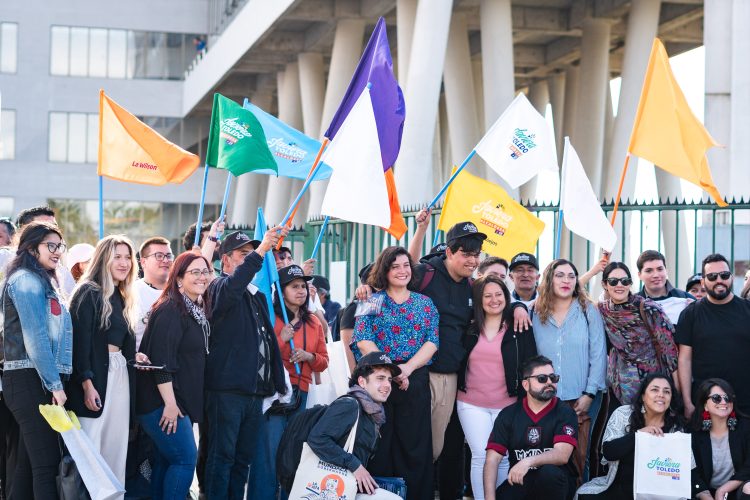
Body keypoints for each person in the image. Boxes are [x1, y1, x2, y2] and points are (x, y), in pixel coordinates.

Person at [204, 228, 288, 499]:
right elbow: (234, 285)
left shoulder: (257, 296)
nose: (250, 259)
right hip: (226, 391)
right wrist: (262, 250)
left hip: (254, 393)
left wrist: (276, 382)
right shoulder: (217, 286)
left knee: (242, 461)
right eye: (243, 254)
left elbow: (268, 344)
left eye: (252, 254)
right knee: (222, 457)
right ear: (225, 260)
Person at [354, 245, 439, 500]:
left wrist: (407, 369)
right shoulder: (370, 300)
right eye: (395, 266)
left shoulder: (425, 303)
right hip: (379, 379)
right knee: (381, 443)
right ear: (385, 270)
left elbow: (432, 341)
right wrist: (389, 370)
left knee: (415, 444)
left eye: (406, 266)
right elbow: (362, 338)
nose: (402, 271)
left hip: (414, 377)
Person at [1, 221, 72, 499]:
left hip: (35, 378)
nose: (56, 252)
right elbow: (35, 338)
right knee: (46, 465)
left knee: (29, 465)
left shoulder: (41, 280)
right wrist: (55, 384)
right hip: (30, 379)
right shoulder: (26, 281)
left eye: (59, 246)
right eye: (50, 246)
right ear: (31, 249)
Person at [135, 252, 213, 500]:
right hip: (162, 402)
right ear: (179, 278)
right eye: (195, 272)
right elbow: (161, 361)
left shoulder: (194, 309)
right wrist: (169, 404)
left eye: (206, 271)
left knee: (165, 461)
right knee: (184, 459)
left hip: (177, 400)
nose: (202, 277)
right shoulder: (171, 308)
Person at [249, 264, 329, 500]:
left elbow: (324, 361)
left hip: (301, 394)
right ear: (280, 290)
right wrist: (281, 340)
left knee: (293, 455)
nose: (301, 291)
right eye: (294, 286)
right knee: (268, 455)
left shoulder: (314, 321)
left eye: (303, 286)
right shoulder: (269, 317)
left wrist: (309, 357)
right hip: (273, 394)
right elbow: (257, 354)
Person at [67, 235, 138, 495]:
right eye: (117, 256)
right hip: (96, 379)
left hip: (120, 377)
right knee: (92, 451)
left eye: (127, 256)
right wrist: (87, 383)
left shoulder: (121, 296)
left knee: (115, 448)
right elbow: (79, 343)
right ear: (103, 259)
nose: (124, 262)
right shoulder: (88, 292)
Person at [457, 275, 537, 498]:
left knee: (501, 456)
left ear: (506, 297)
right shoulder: (469, 326)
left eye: (499, 295)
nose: (494, 300)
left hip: (507, 404)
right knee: (480, 456)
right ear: (479, 300)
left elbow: (530, 361)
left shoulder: (518, 325)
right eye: (487, 296)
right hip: (471, 403)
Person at [531, 259, 607, 482]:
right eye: (560, 275)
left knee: (580, 457)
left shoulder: (587, 310)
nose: (566, 280)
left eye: (571, 276)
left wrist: (589, 394)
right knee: (546, 456)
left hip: (582, 397)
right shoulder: (534, 312)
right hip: (545, 399)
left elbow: (598, 354)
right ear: (549, 279)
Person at [306, 351, 404, 500]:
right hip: (326, 486)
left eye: (389, 380)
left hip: (347, 486)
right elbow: (317, 438)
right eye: (380, 378)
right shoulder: (350, 405)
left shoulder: (373, 413)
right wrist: (355, 466)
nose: (387, 385)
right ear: (362, 382)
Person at [576, 373, 686, 499]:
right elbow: (609, 452)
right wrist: (639, 436)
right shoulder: (624, 414)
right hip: (620, 489)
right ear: (643, 396)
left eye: (667, 392)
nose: (661, 394)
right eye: (654, 390)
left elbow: (686, 468)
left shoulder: (676, 427)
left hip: (658, 493)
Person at [483, 355, 579, 500]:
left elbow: (562, 455)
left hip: (556, 483)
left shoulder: (565, 412)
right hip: (522, 481)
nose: (549, 382)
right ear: (525, 385)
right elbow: (492, 460)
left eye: (553, 378)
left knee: (549, 473)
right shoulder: (509, 414)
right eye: (542, 378)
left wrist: (527, 461)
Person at [597, 262, 678, 410]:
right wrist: (593, 271)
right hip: (620, 384)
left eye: (625, 281)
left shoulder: (648, 308)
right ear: (604, 284)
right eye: (613, 281)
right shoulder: (602, 310)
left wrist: (678, 394)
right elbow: (574, 296)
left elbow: (670, 353)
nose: (619, 285)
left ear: (630, 283)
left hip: (652, 383)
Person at [677, 253, 750, 417]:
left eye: (724, 275)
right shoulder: (690, 314)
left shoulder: (747, 310)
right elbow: (684, 360)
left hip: (746, 403)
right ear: (703, 282)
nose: (719, 280)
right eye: (712, 276)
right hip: (705, 404)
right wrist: (688, 402)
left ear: (731, 277)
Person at [690, 378, 750, 500]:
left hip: (736, 488)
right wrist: (704, 494)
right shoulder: (693, 433)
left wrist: (724, 488)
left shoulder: (745, 427)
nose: (723, 402)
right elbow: (693, 472)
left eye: (728, 398)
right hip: (704, 492)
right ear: (705, 405)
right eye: (717, 398)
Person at [0, 206, 76, 297]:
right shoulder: (5, 257)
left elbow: (71, 305)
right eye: (43, 227)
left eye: (54, 227)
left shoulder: (61, 271)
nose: (52, 231)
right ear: (23, 231)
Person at [134, 237, 174, 350]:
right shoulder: (131, 292)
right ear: (143, 262)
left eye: (168, 256)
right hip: (141, 364)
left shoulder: (181, 291)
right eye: (159, 256)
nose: (166, 260)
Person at [636, 249, 693, 325]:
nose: (656, 275)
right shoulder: (633, 303)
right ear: (639, 275)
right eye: (649, 271)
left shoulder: (686, 299)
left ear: (666, 271)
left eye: (660, 269)